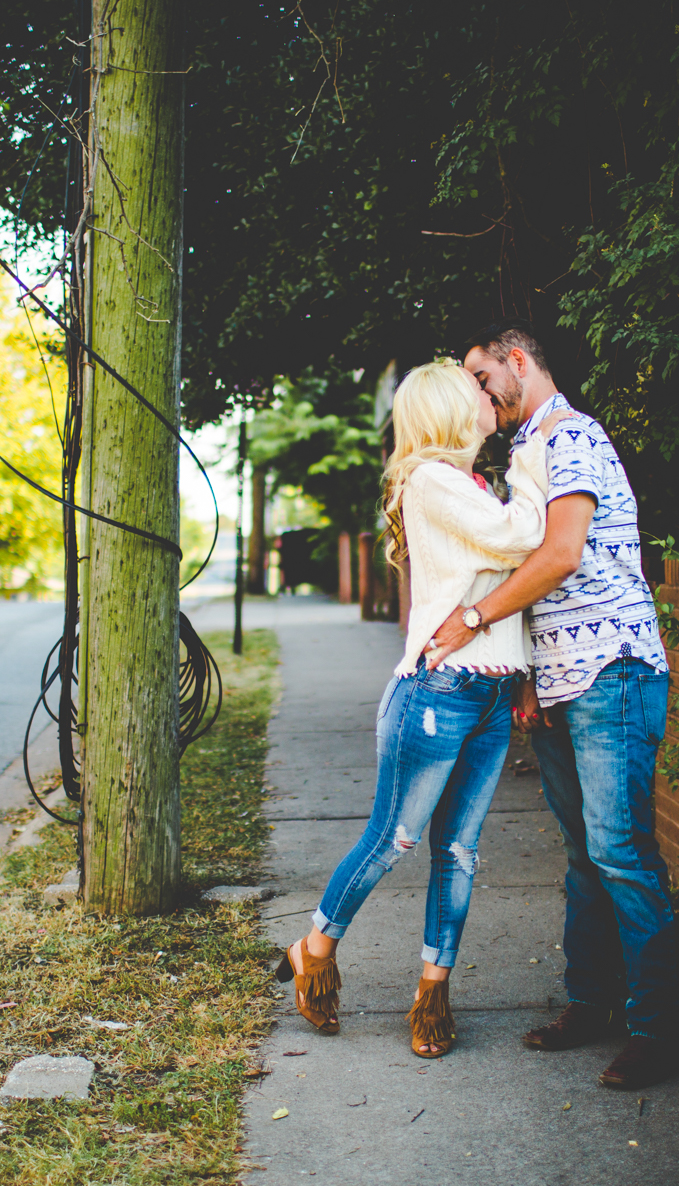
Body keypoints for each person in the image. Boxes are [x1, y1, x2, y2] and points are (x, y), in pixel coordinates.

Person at [424, 321, 679, 1090]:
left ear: (517, 362)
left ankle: (658, 1030)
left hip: (614, 672)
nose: (475, 393)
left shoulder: (573, 437)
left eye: (479, 376)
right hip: (566, 682)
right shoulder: (527, 453)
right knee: (584, 858)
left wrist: (471, 618)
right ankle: (592, 1005)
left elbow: (562, 554)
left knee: (622, 854)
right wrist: (532, 678)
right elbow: (545, 578)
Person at [276, 361, 548, 1058]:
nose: (489, 399)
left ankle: (432, 993)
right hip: (435, 693)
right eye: (475, 394)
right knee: (392, 842)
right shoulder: (431, 480)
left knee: (459, 853)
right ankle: (315, 948)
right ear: (452, 412)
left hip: (486, 692)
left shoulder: (469, 485)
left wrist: (518, 676)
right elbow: (524, 538)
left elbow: (507, 588)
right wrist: (539, 456)